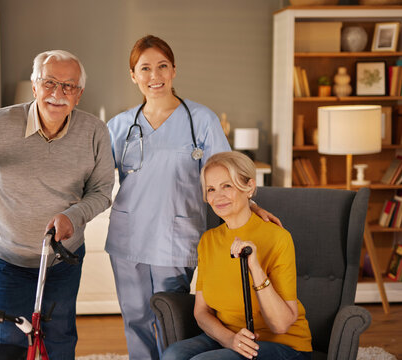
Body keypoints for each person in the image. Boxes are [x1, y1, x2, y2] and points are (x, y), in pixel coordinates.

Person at [0, 50, 115, 359]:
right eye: (49, 83)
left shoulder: (95, 131)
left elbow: (102, 190)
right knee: (14, 340)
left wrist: (74, 215)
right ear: (34, 86)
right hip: (8, 257)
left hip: (62, 259)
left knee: (60, 337)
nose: (57, 94)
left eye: (68, 86)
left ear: (79, 95)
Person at [105, 35, 281, 360]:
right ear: (133, 75)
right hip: (128, 238)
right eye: (145, 68)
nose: (154, 76)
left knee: (168, 320)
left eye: (162, 66)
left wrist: (252, 204)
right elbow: (95, 178)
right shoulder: (119, 126)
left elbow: (225, 172)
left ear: (174, 71)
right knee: (135, 320)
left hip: (174, 236)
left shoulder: (200, 120)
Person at [162, 151, 312, 360]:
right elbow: (201, 311)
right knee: (172, 356)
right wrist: (229, 340)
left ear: (249, 187)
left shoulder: (278, 238)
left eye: (227, 186)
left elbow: (280, 325)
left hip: (283, 345)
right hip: (230, 336)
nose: (218, 196)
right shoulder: (208, 240)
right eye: (211, 189)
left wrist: (255, 268)